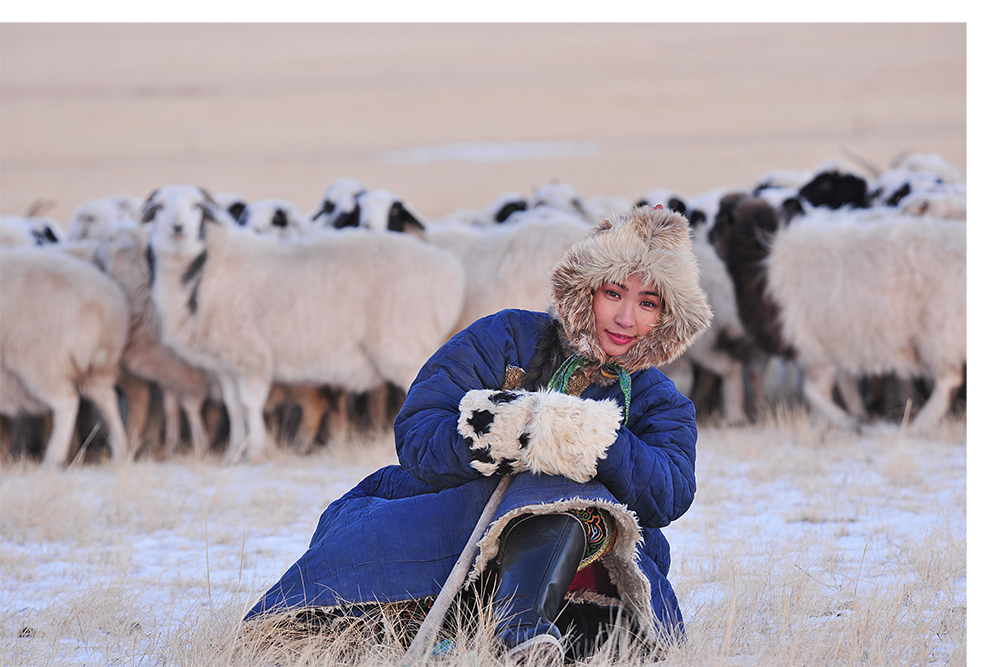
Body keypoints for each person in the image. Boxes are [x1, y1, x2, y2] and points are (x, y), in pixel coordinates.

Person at [244, 204, 712, 664]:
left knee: (575, 491)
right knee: (358, 556)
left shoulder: (659, 400)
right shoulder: (507, 337)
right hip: (454, 516)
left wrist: (595, 437)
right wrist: (503, 429)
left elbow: (666, 495)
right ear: (584, 288)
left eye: (647, 303)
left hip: (586, 566)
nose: (626, 318)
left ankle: (520, 628)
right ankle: (462, 625)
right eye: (613, 293)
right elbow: (418, 434)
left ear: (666, 318)